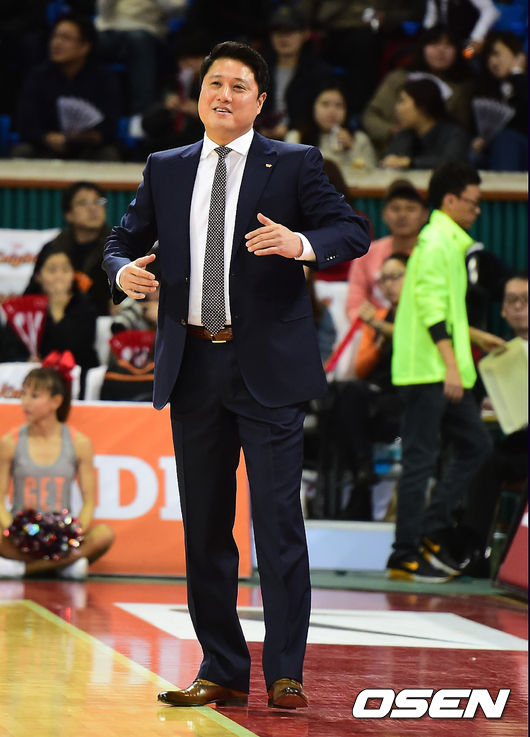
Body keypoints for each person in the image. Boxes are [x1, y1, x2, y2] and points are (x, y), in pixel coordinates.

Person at [102, 40, 370, 709]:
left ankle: (285, 671)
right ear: (198, 96)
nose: (224, 95)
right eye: (214, 83)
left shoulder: (295, 162)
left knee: (278, 525)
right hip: (193, 366)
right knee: (204, 529)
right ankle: (221, 667)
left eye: (239, 85)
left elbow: (351, 230)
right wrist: (122, 271)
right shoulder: (166, 167)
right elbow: (119, 241)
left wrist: (300, 244)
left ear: (260, 101)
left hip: (268, 370)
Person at [388, 161, 506, 582]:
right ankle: (404, 553)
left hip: (438, 369)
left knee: (476, 446)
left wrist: (475, 338)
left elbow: (441, 308)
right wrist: (452, 365)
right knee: (421, 460)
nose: (478, 210)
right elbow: (430, 307)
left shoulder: (446, 242)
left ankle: (430, 528)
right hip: (429, 371)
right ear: (451, 200)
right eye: (472, 202)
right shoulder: (437, 241)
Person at [0, 361, 115, 580]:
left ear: (56, 401)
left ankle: (22, 569)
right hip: (21, 535)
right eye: (23, 394)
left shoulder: (79, 443)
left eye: (34, 396)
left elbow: (89, 501)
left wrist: (73, 533)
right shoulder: (10, 442)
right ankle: (65, 565)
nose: (25, 402)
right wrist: (14, 530)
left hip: (62, 534)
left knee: (104, 534)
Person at [455, 272, 528, 576]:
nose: (519, 307)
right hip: (516, 444)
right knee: (482, 458)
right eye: (512, 301)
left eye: (526, 300)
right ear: (503, 310)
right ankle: (474, 551)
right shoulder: (497, 357)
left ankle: (517, 559)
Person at [334, 253, 409, 520]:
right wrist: (375, 342)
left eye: (395, 276)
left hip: (406, 396)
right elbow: (361, 369)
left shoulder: (419, 315)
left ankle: (360, 483)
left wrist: (380, 327)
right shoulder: (379, 316)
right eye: (383, 279)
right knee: (344, 393)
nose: (388, 285)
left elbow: (411, 341)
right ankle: (362, 471)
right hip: (376, 398)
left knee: (351, 403)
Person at [12, 13, 121, 161]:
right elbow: (25, 124)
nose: (56, 43)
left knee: (109, 154)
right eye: (54, 36)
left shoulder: (103, 78)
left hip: (88, 149)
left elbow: (110, 128)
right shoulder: (38, 76)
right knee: (22, 152)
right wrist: (46, 138)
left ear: (85, 46)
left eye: (66, 38)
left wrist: (89, 137)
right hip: (47, 148)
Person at [363, 25, 474, 156]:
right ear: (422, 47)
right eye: (434, 44)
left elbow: (461, 128)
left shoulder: (462, 88)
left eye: (448, 45)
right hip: (388, 147)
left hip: (436, 153)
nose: (441, 50)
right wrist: (393, 132)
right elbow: (370, 116)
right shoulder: (398, 78)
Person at [1, 246, 99, 393]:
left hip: (75, 379)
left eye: (65, 270)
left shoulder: (85, 306)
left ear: (73, 275)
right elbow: (8, 349)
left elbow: (80, 350)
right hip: (28, 379)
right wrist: (26, 361)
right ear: (38, 276)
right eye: (52, 271)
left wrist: (58, 311)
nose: (59, 276)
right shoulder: (23, 308)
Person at [346, 179, 427, 323]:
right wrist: (372, 323)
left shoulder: (432, 253)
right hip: (373, 330)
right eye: (395, 208)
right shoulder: (367, 253)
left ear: (425, 215)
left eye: (410, 209)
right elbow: (354, 306)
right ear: (384, 214)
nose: (402, 215)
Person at [94, 0, 186, 120]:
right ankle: (86, 112)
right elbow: (103, 12)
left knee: (139, 40)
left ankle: (141, 117)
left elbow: (178, 10)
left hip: (146, 31)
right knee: (82, 41)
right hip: (109, 30)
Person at [258, 5, 334, 141]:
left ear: (306, 34)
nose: (283, 37)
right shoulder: (258, 69)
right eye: (277, 31)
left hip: (303, 139)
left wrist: (290, 129)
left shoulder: (320, 73)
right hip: (260, 136)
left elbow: (320, 112)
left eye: (290, 31)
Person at [36, 181, 113, 316]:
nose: (93, 208)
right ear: (69, 214)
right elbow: (33, 291)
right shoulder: (53, 248)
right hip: (58, 319)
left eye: (98, 202)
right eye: (83, 203)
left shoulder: (119, 247)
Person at [285, 83, 377, 185]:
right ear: (312, 106)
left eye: (339, 105)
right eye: (325, 104)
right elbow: (289, 177)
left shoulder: (359, 139)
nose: (332, 111)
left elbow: (372, 178)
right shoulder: (296, 138)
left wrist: (351, 148)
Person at [380, 77, 470, 170]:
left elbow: (452, 163)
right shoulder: (405, 135)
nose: (397, 108)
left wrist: (409, 162)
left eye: (402, 101)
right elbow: (388, 161)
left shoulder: (454, 133)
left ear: (422, 106)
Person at [470, 31, 528, 171]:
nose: (492, 61)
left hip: (521, 148)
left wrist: (517, 74)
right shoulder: (485, 90)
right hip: (493, 152)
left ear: (518, 56)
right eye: (488, 56)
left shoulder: (524, 84)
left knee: (507, 139)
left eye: (497, 54)